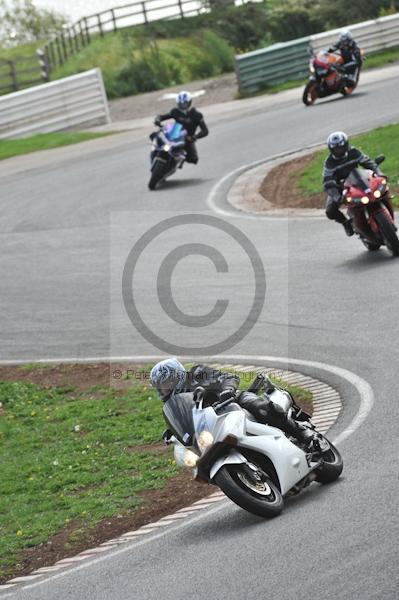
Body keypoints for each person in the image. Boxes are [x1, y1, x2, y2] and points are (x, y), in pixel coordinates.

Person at [150, 358, 317, 448]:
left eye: (164, 385)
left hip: (231, 402)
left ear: (175, 377)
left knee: (262, 408)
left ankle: (301, 432)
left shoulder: (198, 374)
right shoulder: (176, 403)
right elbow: (185, 417)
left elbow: (228, 378)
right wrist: (173, 432)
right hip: (214, 426)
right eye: (159, 388)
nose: (162, 391)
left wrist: (227, 390)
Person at [323, 131, 384, 236]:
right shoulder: (329, 162)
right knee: (330, 211)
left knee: (381, 188)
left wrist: (379, 173)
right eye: (336, 149)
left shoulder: (354, 152)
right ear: (331, 149)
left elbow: (369, 163)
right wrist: (337, 197)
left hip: (359, 180)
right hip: (340, 186)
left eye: (341, 147)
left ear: (346, 145)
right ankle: (346, 223)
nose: (339, 150)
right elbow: (327, 181)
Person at [154, 91, 209, 165]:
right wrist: (158, 119)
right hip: (175, 134)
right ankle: (155, 152)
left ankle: (180, 160)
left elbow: (205, 131)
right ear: (178, 103)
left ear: (189, 102)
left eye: (185, 103)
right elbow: (163, 116)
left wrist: (195, 136)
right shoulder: (175, 111)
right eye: (181, 103)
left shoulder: (197, 115)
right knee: (157, 138)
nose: (183, 105)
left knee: (194, 159)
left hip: (188, 138)